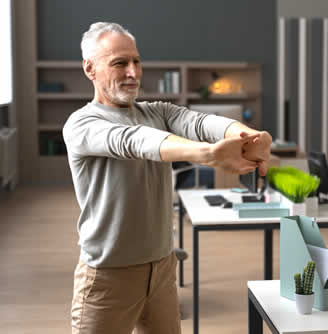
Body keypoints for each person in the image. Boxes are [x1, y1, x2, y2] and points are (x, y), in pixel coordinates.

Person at [63, 22, 272, 334]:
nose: (133, 72)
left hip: (161, 268)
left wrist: (250, 136)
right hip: (107, 277)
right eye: (120, 63)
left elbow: (199, 122)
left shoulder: (157, 112)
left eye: (136, 61)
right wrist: (208, 155)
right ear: (90, 68)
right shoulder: (81, 124)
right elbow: (134, 140)